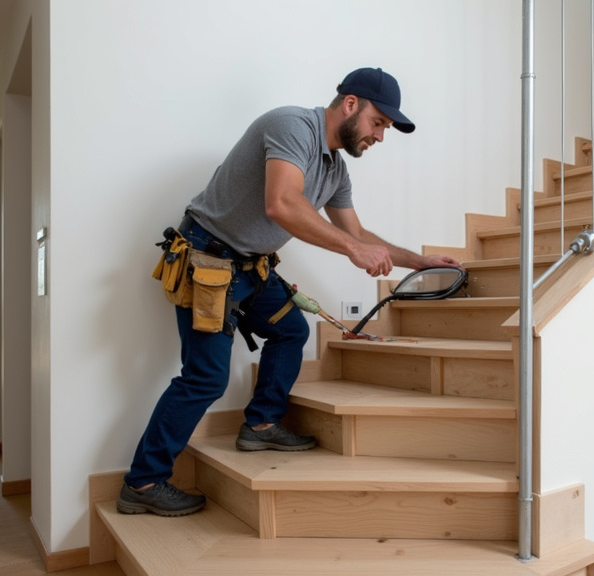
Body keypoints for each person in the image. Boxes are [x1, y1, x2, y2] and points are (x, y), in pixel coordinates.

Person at [117, 67, 461, 517]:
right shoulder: (291, 125)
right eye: (379, 123)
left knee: (291, 331)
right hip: (208, 261)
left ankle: (260, 424)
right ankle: (142, 481)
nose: (380, 136)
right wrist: (354, 250)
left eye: (386, 129)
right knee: (205, 378)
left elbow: (356, 231)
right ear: (351, 104)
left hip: (249, 267)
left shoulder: (335, 170)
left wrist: (419, 262)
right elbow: (281, 203)